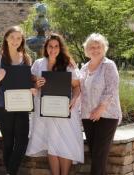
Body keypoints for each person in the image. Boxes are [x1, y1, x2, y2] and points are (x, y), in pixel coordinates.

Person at [26, 33, 84, 175]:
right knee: (51, 144)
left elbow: (77, 87)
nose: (53, 49)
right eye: (50, 46)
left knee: (65, 143)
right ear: (46, 47)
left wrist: (75, 99)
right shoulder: (38, 63)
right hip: (45, 111)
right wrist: (36, 84)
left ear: (60, 47)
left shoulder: (68, 64)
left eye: (56, 46)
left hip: (65, 110)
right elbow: (31, 82)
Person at [0, 26, 32, 175]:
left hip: (22, 106)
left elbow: (27, 82)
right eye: (12, 37)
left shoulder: (26, 58)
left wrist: (32, 88)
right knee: (8, 142)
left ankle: (10, 172)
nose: (15, 41)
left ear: (22, 40)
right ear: (6, 38)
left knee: (22, 140)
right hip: (2, 106)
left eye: (19, 38)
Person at [80, 33, 122, 175]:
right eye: (92, 47)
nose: (95, 49)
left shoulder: (108, 65)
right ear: (87, 50)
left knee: (99, 156)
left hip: (107, 116)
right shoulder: (84, 68)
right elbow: (80, 90)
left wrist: (100, 109)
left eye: (98, 47)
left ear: (104, 48)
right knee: (96, 155)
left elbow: (111, 89)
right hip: (88, 116)